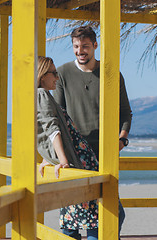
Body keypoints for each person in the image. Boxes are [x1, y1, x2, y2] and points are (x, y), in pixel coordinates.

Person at [53, 26, 133, 239]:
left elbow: (125, 112)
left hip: (104, 154)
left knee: (110, 212)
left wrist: (122, 140)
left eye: (85, 46)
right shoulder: (62, 73)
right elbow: (57, 118)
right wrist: (53, 155)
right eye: (76, 46)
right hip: (74, 154)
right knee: (71, 215)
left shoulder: (111, 74)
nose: (80, 51)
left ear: (95, 46)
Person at [36, 56, 101, 240]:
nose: (57, 77)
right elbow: (51, 128)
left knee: (77, 216)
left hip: (78, 159)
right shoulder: (41, 94)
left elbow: (49, 131)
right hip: (77, 160)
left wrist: (48, 158)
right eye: (54, 73)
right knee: (93, 218)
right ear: (42, 76)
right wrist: (61, 160)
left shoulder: (44, 95)